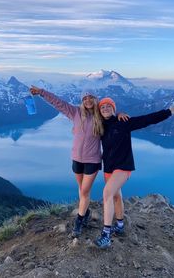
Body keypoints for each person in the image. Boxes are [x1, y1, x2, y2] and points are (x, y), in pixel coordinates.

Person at [29, 86, 127, 238]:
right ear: (82, 101)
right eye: (84, 98)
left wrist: (119, 114)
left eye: (90, 97)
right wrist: (41, 92)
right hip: (76, 159)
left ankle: (79, 222)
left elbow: (111, 116)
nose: (87, 100)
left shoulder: (100, 116)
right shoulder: (74, 112)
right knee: (81, 189)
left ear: (95, 100)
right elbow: (58, 102)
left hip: (92, 161)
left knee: (85, 191)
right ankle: (85, 212)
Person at [94, 97, 174, 248]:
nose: (105, 108)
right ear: (99, 111)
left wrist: (168, 112)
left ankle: (106, 235)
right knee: (116, 197)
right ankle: (119, 226)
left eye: (109, 106)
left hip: (123, 166)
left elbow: (147, 119)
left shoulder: (124, 122)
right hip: (108, 168)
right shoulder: (100, 126)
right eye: (102, 107)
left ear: (113, 109)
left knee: (107, 193)